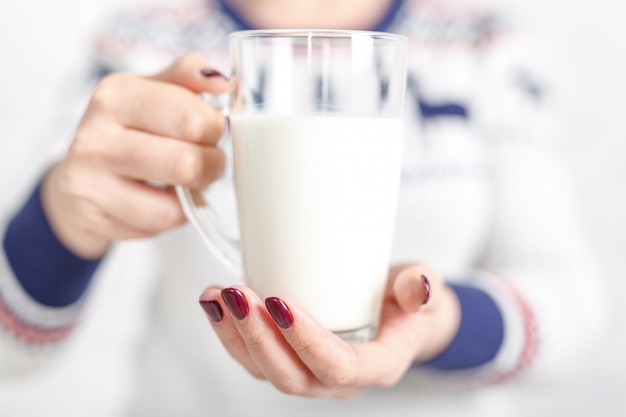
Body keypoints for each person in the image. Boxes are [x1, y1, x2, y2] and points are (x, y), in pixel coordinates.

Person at [0, 0, 608, 415]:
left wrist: (437, 324)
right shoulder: (147, 41)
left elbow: (572, 303)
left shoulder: (483, 40)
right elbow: (9, 355)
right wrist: (62, 216)